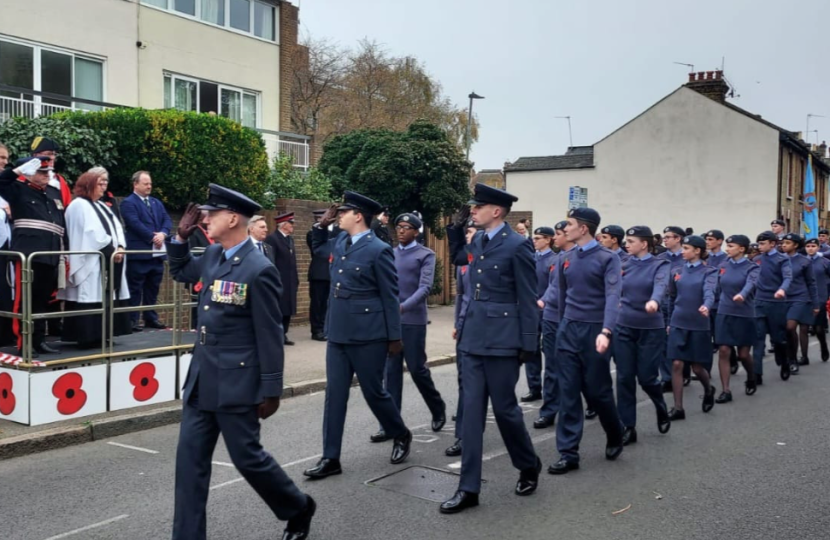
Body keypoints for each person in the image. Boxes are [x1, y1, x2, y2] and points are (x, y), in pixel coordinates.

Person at [167, 185, 315, 540]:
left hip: (236, 383)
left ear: (232, 218)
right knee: (189, 468)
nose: (205, 218)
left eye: (212, 213)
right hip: (202, 380)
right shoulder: (215, 254)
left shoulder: (259, 268)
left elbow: (269, 334)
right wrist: (179, 238)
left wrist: (271, 389)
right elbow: (182, 271)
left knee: (248, 459)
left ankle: (297, 506)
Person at [439, 184, 540, 515]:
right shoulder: (478, 241)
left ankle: (528, 464)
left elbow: (527, 298)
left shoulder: (517, 246)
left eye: (477, 207)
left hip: (502, 339)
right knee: (470, 413)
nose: (473, 211)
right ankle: (468, 488)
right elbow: (459, 258)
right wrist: (453, 229)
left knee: (506, 410)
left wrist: (528, 344)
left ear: (496, 211)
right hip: (473, 337)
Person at [304, 192, 412, 481]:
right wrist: (318, 227)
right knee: (334, 394)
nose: (339, 215)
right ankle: (330, 458)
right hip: (338, 330)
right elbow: (317, 250)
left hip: (368, 333)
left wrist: (394, 337)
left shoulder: (378, 249)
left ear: (358, 216)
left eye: (344, 212)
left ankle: (400, 432)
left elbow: (390, 295)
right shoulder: (340, 241)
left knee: (373, 391)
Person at [549, 207, 624, 476]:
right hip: (568, 329)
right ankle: (568, 453)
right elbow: (561, 296)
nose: (565, 229)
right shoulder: (564, 258)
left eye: (569, 224)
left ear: (583, 228)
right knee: (568, 391)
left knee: (598, 391)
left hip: (595, 331)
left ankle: (615, 433)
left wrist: (606, 331)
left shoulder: (608, 259)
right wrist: (561, 329)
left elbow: (614, 297)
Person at [372, 213, 446, 442]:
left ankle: (437, 407)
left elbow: (425, 288)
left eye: (406, 227)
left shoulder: (426, 255)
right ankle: (390, 424)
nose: (401, 231)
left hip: (412, 320)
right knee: (390, 372)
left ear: (417, 231)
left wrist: (402, 307)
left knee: (416, 369)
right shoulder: (390, 254)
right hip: (392, 322)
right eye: (398, 227)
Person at [0, 157, 66, 357]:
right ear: (29, 173)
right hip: (29, 254)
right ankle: (24, 342)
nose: (46, 176)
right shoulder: (18, 189)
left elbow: (60, 225)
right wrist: (17, 171)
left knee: (43, 301)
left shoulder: (53, 193)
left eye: (48, 172)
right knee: (25, 301)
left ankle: (39, 339)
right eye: (41, 172)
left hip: (50, 253)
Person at [60, 169, 131, 348]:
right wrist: (110, 250)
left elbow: (117, 228)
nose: (104, 186)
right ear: (89, 183)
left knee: (106, 295)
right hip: (91, 261)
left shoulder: (100, 205)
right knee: (90, 294)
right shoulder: (78, 205)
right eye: (100, 183)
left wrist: (120, 246)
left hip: (109, 258)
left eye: (106, 182)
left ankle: (103, 334)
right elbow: (89, 233)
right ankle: (87, 337)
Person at [614, 226, 672, 445]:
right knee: (624, 377)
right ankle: (628, 426)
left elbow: (660, 285)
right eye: (626, 240)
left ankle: (660, 406)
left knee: (647, 377)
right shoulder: (622, 264)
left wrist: (655, 301)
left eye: (631, 241)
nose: (626, 244)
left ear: (644, 244)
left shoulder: (660, 264)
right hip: (624, 326)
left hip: (650, 328)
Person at [666, 235, 718, 420]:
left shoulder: (709, 271)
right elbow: (672, 297)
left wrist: (707, 305)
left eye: (686, 248)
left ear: (697, 251)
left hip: (698, 323)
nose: (682, 252)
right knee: (677, 363)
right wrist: (669, 322)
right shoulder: (677, 271)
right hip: (679, 321)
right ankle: (678, 408)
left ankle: (708, 389)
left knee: (697, 367)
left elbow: (709, 291)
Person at [121, 171, 173, 332]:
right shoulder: (128, 203)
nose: (149, 186)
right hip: (139, 253)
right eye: (145, 183)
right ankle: (132, 319)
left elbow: (167, 220)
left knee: (153, 288)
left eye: (150, 183)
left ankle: (151, 317)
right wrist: (152, 237)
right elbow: (134, 223)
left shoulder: (156, 203)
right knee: (135, 288)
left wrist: (163, 234)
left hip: (156, 255)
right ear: (135, 184)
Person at [533, 220, 572, 430]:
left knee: (574, 369)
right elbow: (553, 286)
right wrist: (544, 300)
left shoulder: (589, 258)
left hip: (573, 321)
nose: (555, 238)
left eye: (559, 233)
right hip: (551, 318)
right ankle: (549, 411)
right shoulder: (558, 260)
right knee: (551, 367)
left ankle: (587, 403)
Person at [443, 217, 477, 457]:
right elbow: (460, 295)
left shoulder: (491, 259)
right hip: (466, 326)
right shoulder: (463, 262)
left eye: (472, 233)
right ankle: (463, 436)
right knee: (465, 382)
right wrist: (457, 322)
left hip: (489, 329)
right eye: (467, 233)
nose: (468, 237)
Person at [713, 235, 760, 404]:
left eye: (731, 246)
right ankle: (726, 390)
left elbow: (751, 283)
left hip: (745, 313)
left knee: (743, 354)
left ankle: (751, 376)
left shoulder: (752, 267)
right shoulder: (723, 265)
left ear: (742, 249)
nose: (727, 249)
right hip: (724, 312)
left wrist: (743, 294)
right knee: (724, 350)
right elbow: (714, 286)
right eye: (727, 245)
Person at [521, 226, 556, 403]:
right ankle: (534, 388)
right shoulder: (531, 258)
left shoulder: (554, 260)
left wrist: (544, 300)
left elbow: (554, 285)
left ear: (548, 240)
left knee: (549, 352)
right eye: (533, 238)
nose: (534, 241)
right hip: (531, 311)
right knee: (531, 349)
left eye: (537, 238)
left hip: (548, 310)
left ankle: (552, 390)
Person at [753, 231, 793, 382]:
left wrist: (782, 289)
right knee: (758, 338)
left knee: (778, 338)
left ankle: (784, 363)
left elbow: (788, 277)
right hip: (759, 301)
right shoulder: (757, 260)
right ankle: (756, 373)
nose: (760, 246)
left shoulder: (782, 259)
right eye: (759, 243)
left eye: (763, 243)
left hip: (777, 303)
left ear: (772, 244)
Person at [778, 233, 819, 373]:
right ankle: (787, 357)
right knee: (783, 330)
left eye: (788, 243)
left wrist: (815, 304)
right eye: (783, 242)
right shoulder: (778, 260)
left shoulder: (804, 261)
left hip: (800, 297)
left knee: (791, 326)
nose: (784, 245)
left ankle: (793, 359)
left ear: (795, 245)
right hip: (782, 298)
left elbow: (811, 283)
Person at [658, 226, 686, 390]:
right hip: (662, 303)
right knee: (663, 341)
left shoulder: (687, 257)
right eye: (664, 236)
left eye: (669, 237)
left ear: (678, 239)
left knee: (679, 342)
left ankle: (683, 370)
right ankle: (667, 377)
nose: (665, 239)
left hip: (680, 304)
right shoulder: (660, 258)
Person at [265, 213, 299, 345]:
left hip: (290, 280)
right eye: (291, 224)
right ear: (284, 225)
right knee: (279, 308)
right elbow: (270, 261)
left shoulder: (290, 239)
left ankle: (283, 333)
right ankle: (276, 335)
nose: (293, 226)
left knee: (288, 309)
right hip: (279, 279)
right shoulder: (272, 239)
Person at [307, 209, 332, 341]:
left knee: (327, 303)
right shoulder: (312, 234)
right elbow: (318, 250)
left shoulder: (333, 233)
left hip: (330, 273)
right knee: (317, 303)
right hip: (319, 273)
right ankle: (316, 330)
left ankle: (325, 327)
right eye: (319, 218)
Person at [804, 239, 830, 361]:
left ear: (818, 248)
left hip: (820, 297)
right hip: (803, 297)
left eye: (813, 246)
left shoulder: (825, 262)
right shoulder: (802, 262)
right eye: (808, 246)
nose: (810, 248)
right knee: (804, 327)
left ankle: (823, 346)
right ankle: (804, 356)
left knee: (818, 328)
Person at [28, 137, 72, 209]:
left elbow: (67, 207)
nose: (52, 157)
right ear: (35, 156)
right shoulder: (22, 178)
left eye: (54, 154)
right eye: (48, 154)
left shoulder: (60, 180)